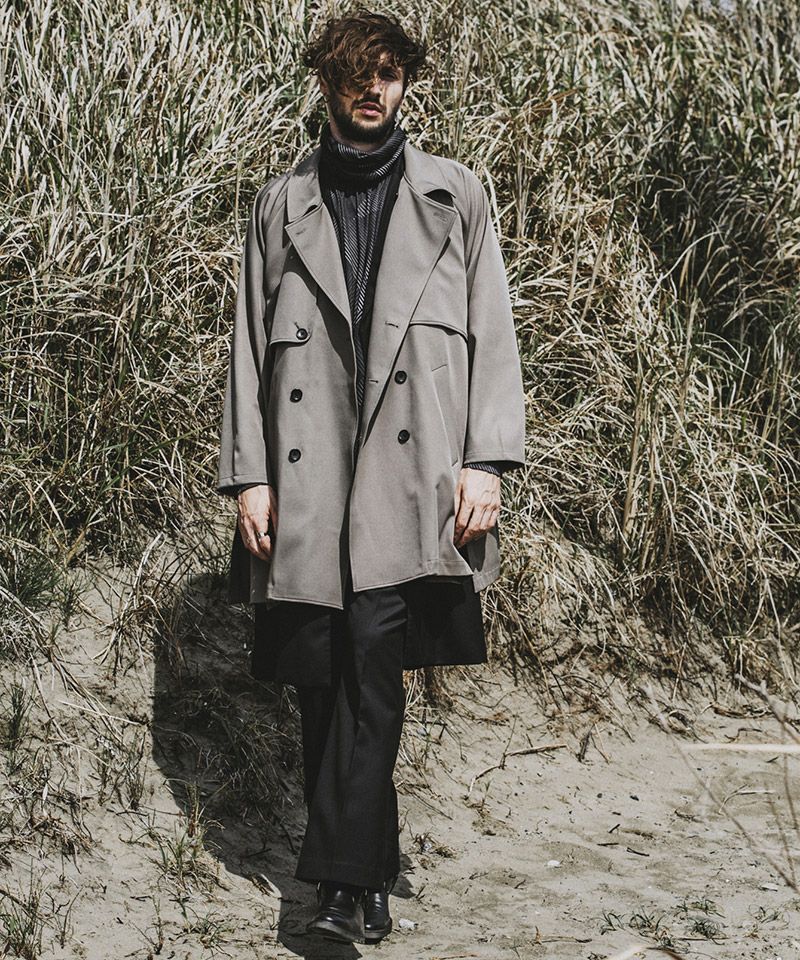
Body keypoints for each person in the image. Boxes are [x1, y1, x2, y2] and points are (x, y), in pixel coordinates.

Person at [215, 8, 526, 945]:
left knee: (375, 669)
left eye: (388, 73)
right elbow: (246, 350)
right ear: (326, 82)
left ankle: (338, 893)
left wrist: (487, 459)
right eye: (356, 73)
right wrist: (250, 476)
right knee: (324, 678)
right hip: (310, 486)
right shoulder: (280, 205)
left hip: (411, 482)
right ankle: (372, 872)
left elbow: (493, 329)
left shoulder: (454, 195)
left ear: (405, 83)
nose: (372, 88)